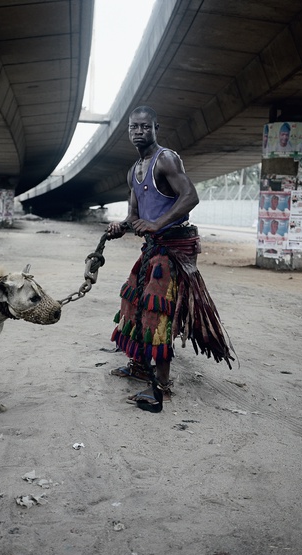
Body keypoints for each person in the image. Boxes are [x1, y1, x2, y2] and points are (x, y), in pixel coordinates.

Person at [106, 106, 234, 410]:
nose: (138, 132)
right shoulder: (133, 170)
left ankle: (162, 387)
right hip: (152, 249)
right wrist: (118, 228)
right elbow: (135, 216)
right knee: (133, 301)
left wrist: (157, 224)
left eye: (144, 127)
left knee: (156, 314)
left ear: (155, 128)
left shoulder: (166, 159)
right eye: (133, 127)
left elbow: (191, 196)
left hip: (172, 252)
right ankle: (138, 366)